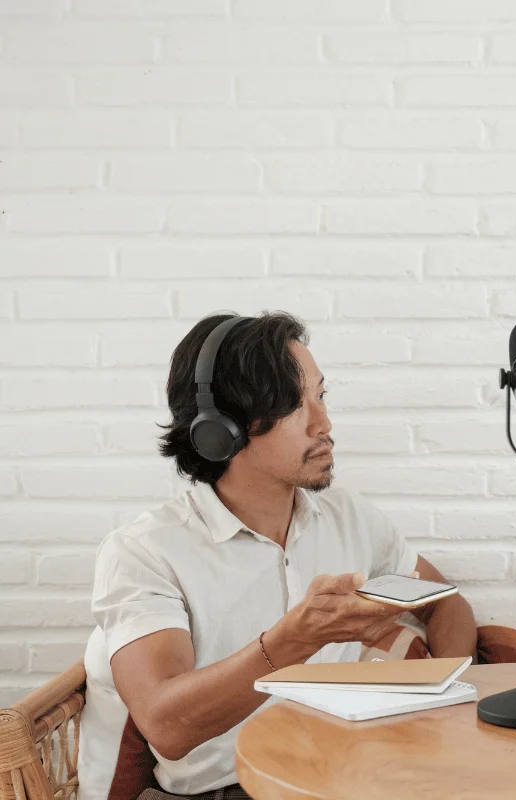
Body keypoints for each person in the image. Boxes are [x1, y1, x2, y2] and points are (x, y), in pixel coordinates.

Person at [79, 312, 477, 800]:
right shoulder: (145, 552)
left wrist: (438, 697)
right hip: (226, 791)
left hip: (348, 777)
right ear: (220, 428)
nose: (324, 423)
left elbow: (445, 603)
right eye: (295, 405)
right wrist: (295, 639)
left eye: (321, 395)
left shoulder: (348, 517)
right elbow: (167, 725)